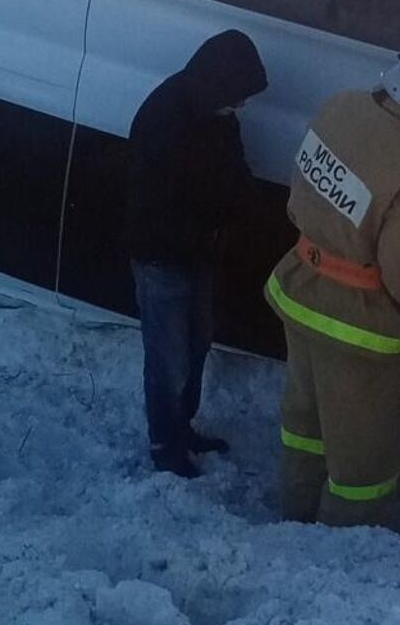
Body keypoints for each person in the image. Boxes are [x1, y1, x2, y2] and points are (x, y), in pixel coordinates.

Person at [267, 37, 400, 530]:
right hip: (355, 328)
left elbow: (300, 195)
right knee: (365, 458)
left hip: (298, 290)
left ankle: (294, 513)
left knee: (306, 422)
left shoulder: (340, 107)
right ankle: (349, 545)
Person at [127, 29, 268, 477]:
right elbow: (164, 201)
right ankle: (164, 442)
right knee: (168, 355)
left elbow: (231, 173)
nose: (242, 105)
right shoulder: (164, 121)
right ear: (219, 84)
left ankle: (182, 426)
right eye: (238, 95)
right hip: (162, 257)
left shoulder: (215, 114)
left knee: (196, 344)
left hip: (197, 253)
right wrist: (211, 225)